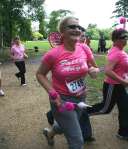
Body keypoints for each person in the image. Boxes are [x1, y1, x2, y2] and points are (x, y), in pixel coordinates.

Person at [36, 16, 99, 149]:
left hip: (81, 97)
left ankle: (49, 133)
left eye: (79, 27)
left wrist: (93, 71)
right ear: (62, 32)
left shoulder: (84, 48)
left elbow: (94, 67)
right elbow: (40, 74)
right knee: (77, 141)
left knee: (68, 124)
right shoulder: (53, 54)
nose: (77, 29)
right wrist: (53, 93)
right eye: (72, 26)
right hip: (61, 100)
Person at [87, 28, 128, 140]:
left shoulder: (121, 51)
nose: (126, 39)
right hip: (113, 86)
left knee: (125, 108)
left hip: (120, 86)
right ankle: (81, 114)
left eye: (126, 37)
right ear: (115, 40)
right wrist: (124, 81)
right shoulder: (116, 52)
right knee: (105, 109)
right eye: (123, 37)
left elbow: (122, 67)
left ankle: (123, 132)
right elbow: (108, 71)